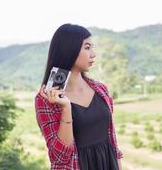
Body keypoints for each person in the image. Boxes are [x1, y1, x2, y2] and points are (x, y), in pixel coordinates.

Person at [35, 23, 123, 170]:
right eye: (87, 48)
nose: (93, 54)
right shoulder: (45, 100)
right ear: (69, 50)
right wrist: (66, 108)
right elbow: (60, 157)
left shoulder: (101, 89)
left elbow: (112, 140)